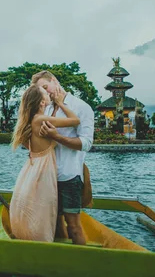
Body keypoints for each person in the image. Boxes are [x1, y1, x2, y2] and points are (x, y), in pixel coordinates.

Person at [9, 84, 80, 242]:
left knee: (35, 205)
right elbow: (75, 120)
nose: (49, 94)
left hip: (32, 166)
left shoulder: (31, 120)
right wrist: (61, 102)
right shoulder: (41, 119)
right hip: (44, 168)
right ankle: (41, 240)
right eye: (45, 93)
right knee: (45, 207)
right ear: (41, 102)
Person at [32, 70, 95, 245]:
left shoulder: (81, 107)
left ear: (54, 81)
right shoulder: (47, 108)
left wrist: (57, 136)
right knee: (54, 223)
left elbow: (86, 143)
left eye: (46, 87)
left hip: (69, 175)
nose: (45, 93)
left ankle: (82, 265)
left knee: (73, 226)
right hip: (47, 175)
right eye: (41, 91)